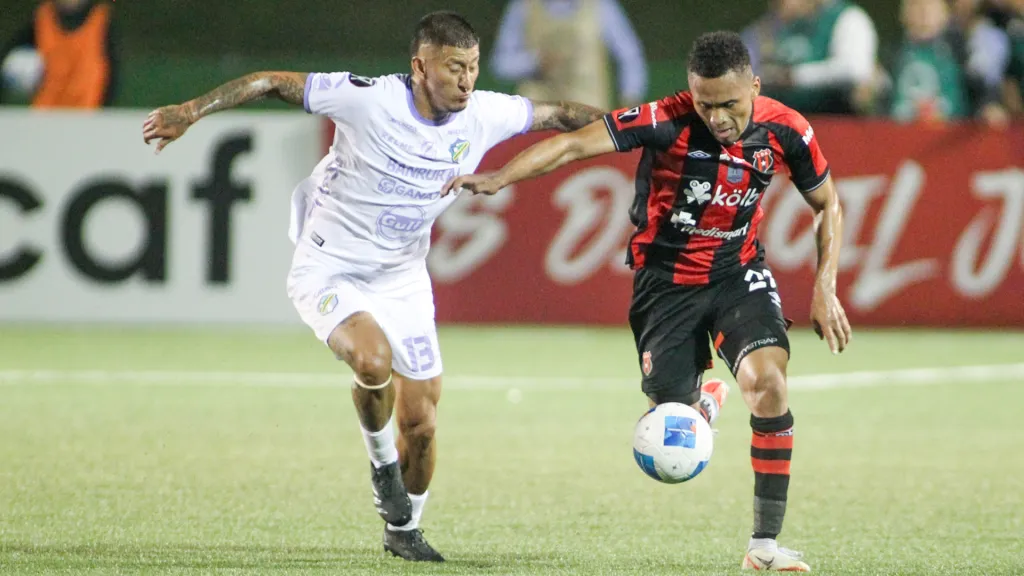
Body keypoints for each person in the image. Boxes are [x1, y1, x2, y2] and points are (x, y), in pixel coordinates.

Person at [141, 11, 603, 563]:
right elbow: (268, 81)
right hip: (328, 267)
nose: (467, 81)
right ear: (419, 66)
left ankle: (405, 530)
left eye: (473, 68)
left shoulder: (485, 113)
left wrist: (639, 126)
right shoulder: (369, 99)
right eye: (455, 68)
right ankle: (382, 466)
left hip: (402, 277)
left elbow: (562, 115)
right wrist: (190, 111)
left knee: (423, 424)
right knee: (372, 360)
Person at [443, 31, 852, 572]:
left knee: (769, 386)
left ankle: (764, 547)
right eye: (705, 103)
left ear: (754, 86)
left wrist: (825, 286)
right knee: (669, 427)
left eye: (729, 103)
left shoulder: (788, 129)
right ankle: (698, 404)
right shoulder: (663, 118)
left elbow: (827, 204)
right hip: (665, 286)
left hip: (738, 272)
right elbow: (572, 143)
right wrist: (500, 177)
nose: (717, 117)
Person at [490, 0, 648, 110]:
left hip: (590, 115)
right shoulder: (523, 7)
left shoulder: (601, 6)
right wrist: (535, 62)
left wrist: (631, 98)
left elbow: (630, 57)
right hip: (537, 118)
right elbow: (500, 64)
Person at [0, 0, 119, 108]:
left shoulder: (101, 21)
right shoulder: (42, 19)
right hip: (45, 115)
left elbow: (112, 73)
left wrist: (104, 110)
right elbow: (9, 56)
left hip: (87, 113)